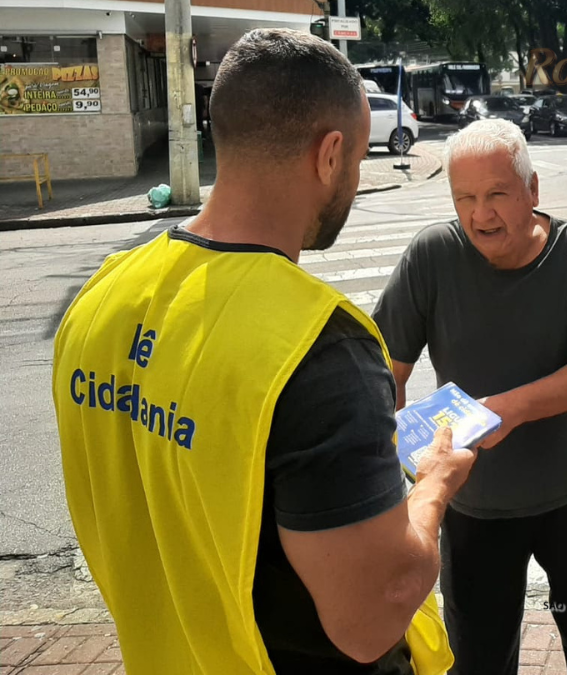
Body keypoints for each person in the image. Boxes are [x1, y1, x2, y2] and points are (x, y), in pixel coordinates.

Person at [51, 28, 475, 674]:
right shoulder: (321, 348)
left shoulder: (99, 298)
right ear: (329, 155)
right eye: (358, 159)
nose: (355, 179)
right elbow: (372, 617)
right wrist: (434, 484)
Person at [372, 119, 567, 675]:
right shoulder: (433, 255)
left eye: (496, 194)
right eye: (464, 198)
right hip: (475, 510)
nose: (480, 215)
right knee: (477, 659)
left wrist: (505, 410)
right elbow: (385, 368)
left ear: (532, 189)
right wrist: (396, 455)